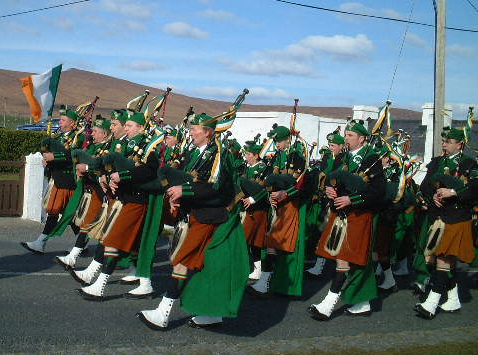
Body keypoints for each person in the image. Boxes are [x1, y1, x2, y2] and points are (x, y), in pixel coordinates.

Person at [137, 112, 248, 329]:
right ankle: (211, 314)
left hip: (209, 216)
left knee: (182, 260)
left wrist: (183, 190)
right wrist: (176, 197)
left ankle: (163, 314)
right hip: (194, 214)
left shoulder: (219, 154)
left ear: (207, 132)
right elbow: (186, 178)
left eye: (195, 129)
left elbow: (213, 187)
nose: (190, 132)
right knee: (202, 267)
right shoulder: (194, 152)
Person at [308, 120, 385, 320]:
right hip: (341, 214)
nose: (347, 138)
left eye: (351, 135)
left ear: (361, 138)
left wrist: (352, 199)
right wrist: (331, 190)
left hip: (359, 214)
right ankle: (362, 303)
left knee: (346, 257)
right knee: (354, 260)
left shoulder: (372, 159)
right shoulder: (344, 158)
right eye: (347, 134)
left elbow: (379, 192)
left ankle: (328, 304)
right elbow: (336, 180)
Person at [414, 127, 477, 319]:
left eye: (448, 142)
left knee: (443, 258)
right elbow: (424, 186)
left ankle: (431, 304)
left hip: (457, 216)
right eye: (444, 141)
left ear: (460, 144)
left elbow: (475, 187)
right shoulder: (437, 163)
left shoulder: (469, 163)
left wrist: (454, 192)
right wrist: (431, 195)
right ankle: (453, 299)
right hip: (437, 217)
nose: (444, 144)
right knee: (437, 259)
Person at [21, 108, 84, 254]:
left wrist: (54, 158)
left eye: (63, 120)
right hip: (58, 178)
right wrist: (47, 161)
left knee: (55, 212)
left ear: (72, 123)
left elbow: (72, 157)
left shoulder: (78, 138)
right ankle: (82, 242)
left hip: (69, 180)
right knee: (68, 213)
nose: (60, 123)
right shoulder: (60, 136)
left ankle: (40, 242)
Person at [55, 116, 112, 269]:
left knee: (90, 224)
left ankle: (74, 257)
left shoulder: (108, 148)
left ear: (104, 134)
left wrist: (86, 168)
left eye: (95, 131)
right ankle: (74, 257)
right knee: (84, 222)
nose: (91, 134)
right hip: (89, 190)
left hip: (101, 193)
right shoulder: (93, 147)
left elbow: (101, 169)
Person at [306, 131, 345, 277]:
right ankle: (320, 265)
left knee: (331, 233)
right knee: (324, 232)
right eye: (329, 145)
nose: (330, 147)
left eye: (333, 145)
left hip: (338, 201)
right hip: (326, 201)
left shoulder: (344, 160)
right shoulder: (327, 159)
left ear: (341, 146)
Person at [240, 138, 268, 280]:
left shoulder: (262, 168)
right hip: (246, 209)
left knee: (254, 241)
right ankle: (252, 269)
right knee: (248, 240)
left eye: (248, 154)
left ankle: (255, 270)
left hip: (258, 209)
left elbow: (265, 189)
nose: (246, 157)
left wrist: (251, 199)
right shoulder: (247, 168)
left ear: (256, 155)